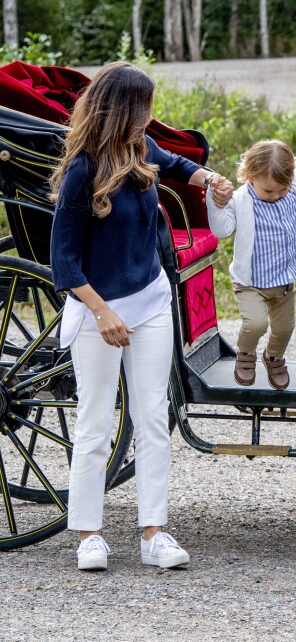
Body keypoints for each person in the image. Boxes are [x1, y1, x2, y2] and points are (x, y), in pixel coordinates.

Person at [50, 61, 232, 572]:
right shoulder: (82, 170)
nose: (149, 117)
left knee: (152, 417)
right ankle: (89, 535)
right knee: (94, 422)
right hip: (98, 310)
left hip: (151, 301)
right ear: (122, 109)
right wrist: (101, 312)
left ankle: (154, 532)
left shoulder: (141, 148)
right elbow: (63, 259)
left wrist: (212, 180)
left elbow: (178, 164)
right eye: (144, 108)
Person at [206, 139, 296, 390]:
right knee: (255, 324)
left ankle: (273, 357)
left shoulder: (295, 184)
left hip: (283, 282)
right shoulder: (240, 199)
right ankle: (245, 354)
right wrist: (215, 203)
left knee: (285, 328)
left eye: (283, 189)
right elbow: (222, 229)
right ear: (250, 177)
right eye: (269, 191)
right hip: (251, 283)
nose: (277, 195)